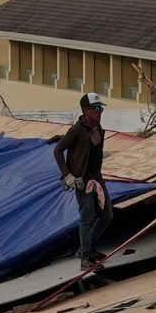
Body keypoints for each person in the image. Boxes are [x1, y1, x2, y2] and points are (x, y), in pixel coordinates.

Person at [51, 91, 112, 267]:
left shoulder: (98, 128)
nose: (100, 112)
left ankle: (87, 247)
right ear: (86, 111)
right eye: (96, 109)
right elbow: (57, 150)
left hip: (97, 180)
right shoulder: (77, 130)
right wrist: (67, 175)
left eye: (101, 109)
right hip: (82, 181)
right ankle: (86, 257)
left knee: (107, 215)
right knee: (87, 218)